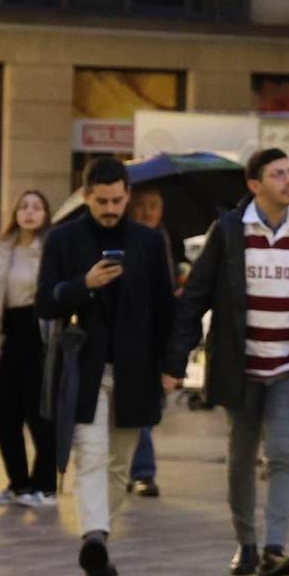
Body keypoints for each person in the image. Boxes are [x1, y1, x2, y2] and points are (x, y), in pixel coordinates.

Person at [162, 148, 289, 576]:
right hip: (239, 367)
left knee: (282, 454)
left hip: (287, 368)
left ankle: (274, 549)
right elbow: (196, 296)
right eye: (278, 174)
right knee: (240, 457)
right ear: (255, 185)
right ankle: (246, 544)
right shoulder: (228, 231)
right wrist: (176, 359)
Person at [36, 157, 175, 576]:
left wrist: (171, 366)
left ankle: (99, 536)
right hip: (84, 369)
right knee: (91, 456)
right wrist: (85, 285)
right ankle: (93, 536)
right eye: (102, 201)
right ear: (86, 196)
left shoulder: (148, 243)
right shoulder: (62, 240)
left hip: (137, 371)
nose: (110, 208)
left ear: (127, 195)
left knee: (119, 464)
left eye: (117, 199)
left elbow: (167, 310)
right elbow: (44, 301)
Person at [0, 189, 57, 507]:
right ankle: (19, 484)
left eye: (37, 207)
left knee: (40, 414)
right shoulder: (1, 246)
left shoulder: (52, 246)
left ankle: (45, 487)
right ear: (15, 213)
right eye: (24, 206)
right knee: (5, 415)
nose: (30, 212)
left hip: (43, 333)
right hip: (12, 332)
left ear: (46, 214)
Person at [124, 184, 172, 498]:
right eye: (140, 205)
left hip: (154, 336)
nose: (147, 212)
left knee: (148, 407)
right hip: (127, 335)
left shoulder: (162, 239)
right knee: (137, 407)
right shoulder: (124, 238)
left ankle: (137, 467)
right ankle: (141, 470)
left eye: (153, 205)